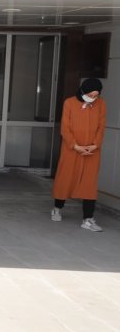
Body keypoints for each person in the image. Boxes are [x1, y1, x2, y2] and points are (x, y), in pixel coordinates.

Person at [51, 78, 106, 232]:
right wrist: (75, 146)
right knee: (65, 178)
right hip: (72, 149)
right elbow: (65, 128)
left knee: (89, 183)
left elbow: (101, 126)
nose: (93, 98)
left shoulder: (101, 104)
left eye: (96, 95)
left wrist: (95, 144)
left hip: (91, 151)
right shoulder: (69, 103)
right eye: (90, 95)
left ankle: (88, 219)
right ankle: (57, 208)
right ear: (83, 91)